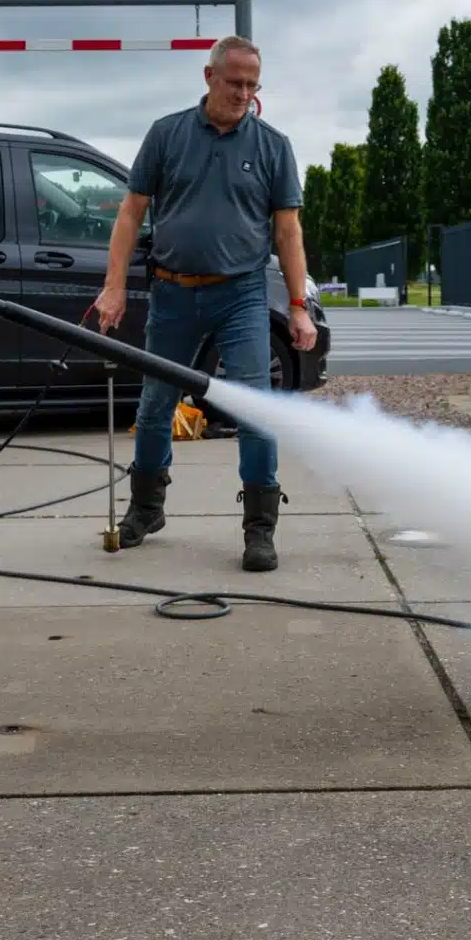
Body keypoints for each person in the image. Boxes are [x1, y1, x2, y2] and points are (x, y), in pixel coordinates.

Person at [88, 35, 317, 572]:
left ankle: (259, 528)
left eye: (252, 85)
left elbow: (288, 231)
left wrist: (298, 305)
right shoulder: (166, 135)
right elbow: (130, 212)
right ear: (209, 76)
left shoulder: (273, 146)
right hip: (172, 294)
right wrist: (114, 286)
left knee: (254, 409)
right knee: (154, 407)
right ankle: (147, 509)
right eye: (235, 82)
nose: (244, 94)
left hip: (241, 295)